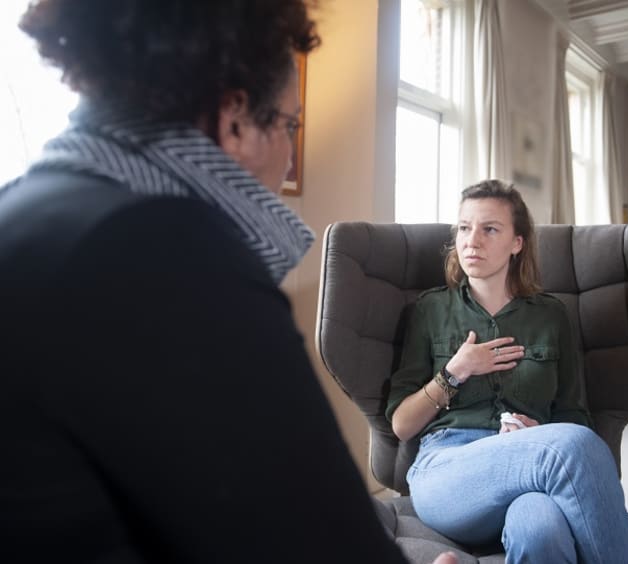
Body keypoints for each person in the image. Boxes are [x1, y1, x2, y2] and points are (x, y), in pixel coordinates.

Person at [0, 1, 458, 563]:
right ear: (236, 117)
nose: (289, 160)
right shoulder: (166, 252)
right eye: (290, 125)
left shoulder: (23, 209)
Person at [386, 179, 628, 564]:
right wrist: (454, 371)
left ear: (517, 243)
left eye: (489, 229)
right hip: (447, 471)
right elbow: (402, 425)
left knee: (541, 528)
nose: (472, 240)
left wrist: (536, 435)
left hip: (529, 476)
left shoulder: (552, 315)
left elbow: (572, 415)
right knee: (574, 446)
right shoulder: (430, 310)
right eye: (464, 227)